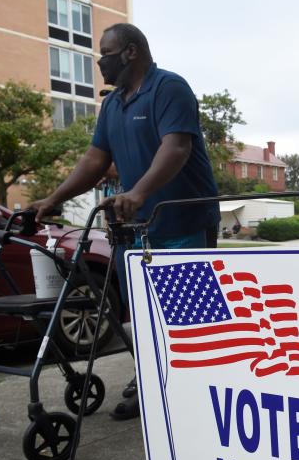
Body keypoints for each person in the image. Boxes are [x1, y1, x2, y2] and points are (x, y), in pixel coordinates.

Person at [32, 23, 221, 420]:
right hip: (135, 230)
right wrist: (52, 199)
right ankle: (151, 378)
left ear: (130, 52)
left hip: (182, 222)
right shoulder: (114, 104)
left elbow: (177, 147)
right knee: (145, 314)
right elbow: (93, 160)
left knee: (187, 318)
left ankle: (196, 391)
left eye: (105, 52)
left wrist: (138, 192)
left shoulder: (169, 88)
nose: (99, 60)